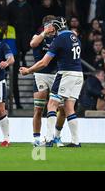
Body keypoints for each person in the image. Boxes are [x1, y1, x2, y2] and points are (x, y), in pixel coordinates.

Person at [20, 17, 84, 147]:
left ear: (56, 27)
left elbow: (44, 62)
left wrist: (28, 70)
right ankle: (75, 141)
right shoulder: (74, 36)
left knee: (51, 105)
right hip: (79, 74)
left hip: (65, 74)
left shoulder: (58, 39)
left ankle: (49, 139)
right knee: (69, 107)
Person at [30, 15, 66, 147]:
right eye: (49, 24)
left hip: (57, 74)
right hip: (40, 75)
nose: (52, 27)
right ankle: (36, 138)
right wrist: (44, 32)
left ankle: (56, 136)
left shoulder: (59, 38)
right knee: (38, 109)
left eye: (53, 25)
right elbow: (33, 44)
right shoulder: (38, 37)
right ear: (45, 26)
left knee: (62, 109)